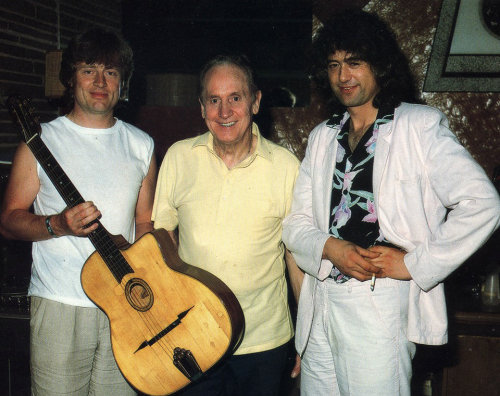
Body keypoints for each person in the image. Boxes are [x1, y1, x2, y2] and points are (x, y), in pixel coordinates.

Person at [282, 9, 500, 396]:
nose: (343, 76)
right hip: (319, 306)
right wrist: (331, 247)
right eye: (333, 65)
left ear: (379, 65)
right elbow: (295, 225)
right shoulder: (322, 136)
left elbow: (483, 203)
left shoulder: (418, 125)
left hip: (377, 303)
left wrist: (415, 265)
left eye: (354, 62)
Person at [0, 28, 157, 395]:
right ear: (71, 78)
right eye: (89, 70)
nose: (100, 81)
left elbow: (145, 222)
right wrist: (58, 224)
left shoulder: (142, 145)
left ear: (123, 83)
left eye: (112, 72)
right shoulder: (39, 143)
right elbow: (8, 220)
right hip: (60, 305)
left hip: (124, 305)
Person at [152, 54, 303, 396]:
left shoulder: (286, 167)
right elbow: (161, 241)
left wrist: (306, 337)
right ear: (201, 107)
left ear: (255, 102)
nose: (224, 112)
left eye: (235, 98)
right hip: (194, 338)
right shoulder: (178, 157)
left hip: (265, 343)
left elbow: (296, 260)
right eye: (214, 100)